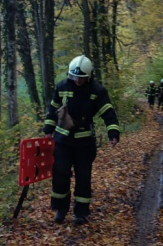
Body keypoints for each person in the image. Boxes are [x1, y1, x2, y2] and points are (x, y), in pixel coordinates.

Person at [42, 55, 120, 225]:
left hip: (84, 143)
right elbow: (53, 108)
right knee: (60, 174)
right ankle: (61, 209)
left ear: (89, 76)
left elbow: (108, 112)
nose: (77, 80)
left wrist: (113, 132)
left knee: (83, 177)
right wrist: (48, 128)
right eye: (74, 76)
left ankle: (81, 212)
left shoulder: (97, 90)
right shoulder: (62, 86)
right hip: (63, 140)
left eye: (82, 78)